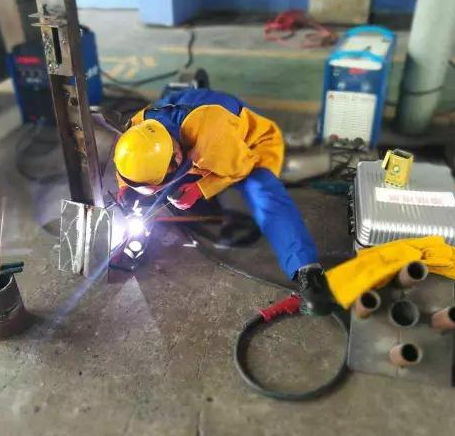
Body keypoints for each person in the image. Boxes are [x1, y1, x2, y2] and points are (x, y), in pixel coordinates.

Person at [113, 88, 333, 315]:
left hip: (248, 148)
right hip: (191, 123)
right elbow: (128, 169)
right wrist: (125, 190)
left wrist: (201, 188)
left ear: (175, 158)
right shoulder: (136, 130)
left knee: (264, 193)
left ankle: (308, 272)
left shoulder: (213, 136)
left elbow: (240, 169)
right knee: (170, 191)